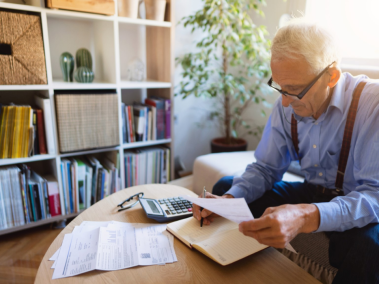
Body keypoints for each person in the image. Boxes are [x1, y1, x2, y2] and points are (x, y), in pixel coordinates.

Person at [192, 17, 379, 284]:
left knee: (369, 248)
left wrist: (306, 216)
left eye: (293, 90)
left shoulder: (372, 103)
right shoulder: (287, 102)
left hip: (358, 198)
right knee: (225, 189)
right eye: (279, 87)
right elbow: (266, 168)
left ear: (332, 76)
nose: (284, 102)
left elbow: (374, 196)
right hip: (314, 191)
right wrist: (232, 199)